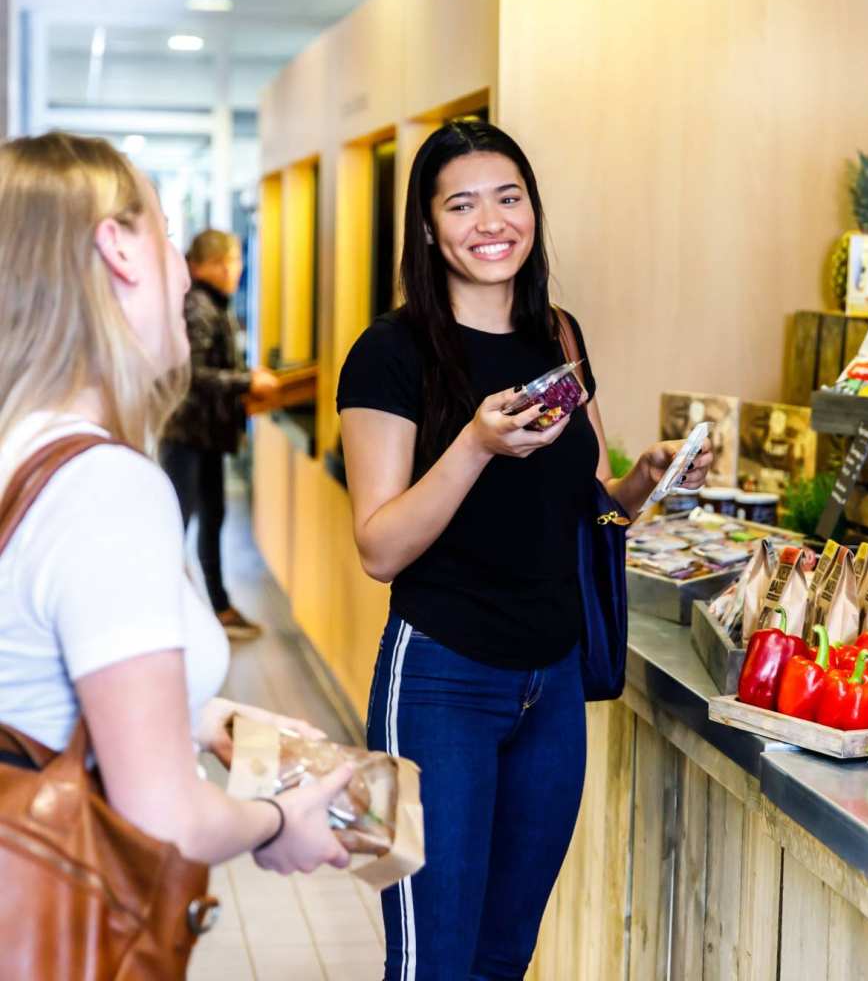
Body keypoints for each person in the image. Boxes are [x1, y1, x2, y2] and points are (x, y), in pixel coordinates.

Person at [338, 120, 713, 979]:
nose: (491, 221)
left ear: (533, 211)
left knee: (505, 957)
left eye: (509, 198)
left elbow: (591, 501)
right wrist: (473, 444)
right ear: (429, 229)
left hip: (552, 690)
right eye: (461, 205)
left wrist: (645, 482)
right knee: (433, 960)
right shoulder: (389, 354)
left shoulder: (560, 335)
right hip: (436, 684)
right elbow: (378, 548)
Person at [0, 133, 353, 886]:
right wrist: (280, 821)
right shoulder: (102, 486)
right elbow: (163, 817)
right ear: (118, 251)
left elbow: (33, 685)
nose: (182, 273)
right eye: (164, 234)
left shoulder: (23, 447)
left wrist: (203, 717)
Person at [161, 229, 279, 640]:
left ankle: (219, 608)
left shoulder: (213, 303)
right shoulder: (197, 306)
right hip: (187, 435)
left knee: (213, 519)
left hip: (205, 435)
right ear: (206, 266)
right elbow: (190, 375)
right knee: (181, 523)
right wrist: (246, 381)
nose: (235, 271)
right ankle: (170, 616)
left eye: (237, 263)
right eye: (229, 264)